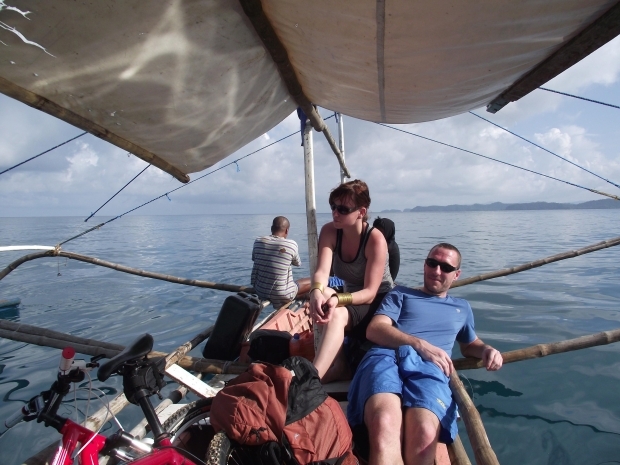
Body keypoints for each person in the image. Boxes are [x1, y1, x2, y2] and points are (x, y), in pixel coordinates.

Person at [347, 243, 503, 465]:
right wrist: (419, 344)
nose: (437, 271)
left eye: (446, 267)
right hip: (386, 356)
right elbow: (375, 329)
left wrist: (487, 349)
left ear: (456, 274)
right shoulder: (400, 293)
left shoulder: (461, 307)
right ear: (425, 264)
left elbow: (469, 345)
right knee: (384, 421)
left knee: (425, 434)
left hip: (431, 368)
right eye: (432, 263)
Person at [309, 179, 394, 382]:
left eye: (343, 209)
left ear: (361, 212)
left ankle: (311, 379)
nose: (335, 213)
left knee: (336, 313)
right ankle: (338, 364)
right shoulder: (330, 231)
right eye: (333, 207)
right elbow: (322, 271)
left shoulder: (375, 239)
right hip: (352, 296)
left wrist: (338, 300)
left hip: (378, 300)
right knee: (323, 298)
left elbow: (370, 292)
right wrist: (315, 292)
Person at [251, 216, 311, 309]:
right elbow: (298, 263)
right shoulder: (291, 245)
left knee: (296, 283)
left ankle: (298, 295)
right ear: (287, 231)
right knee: (315, 281)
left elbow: (255, 258)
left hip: (259, 290)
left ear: (271, 228)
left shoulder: (258, 241)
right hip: (281, 294)